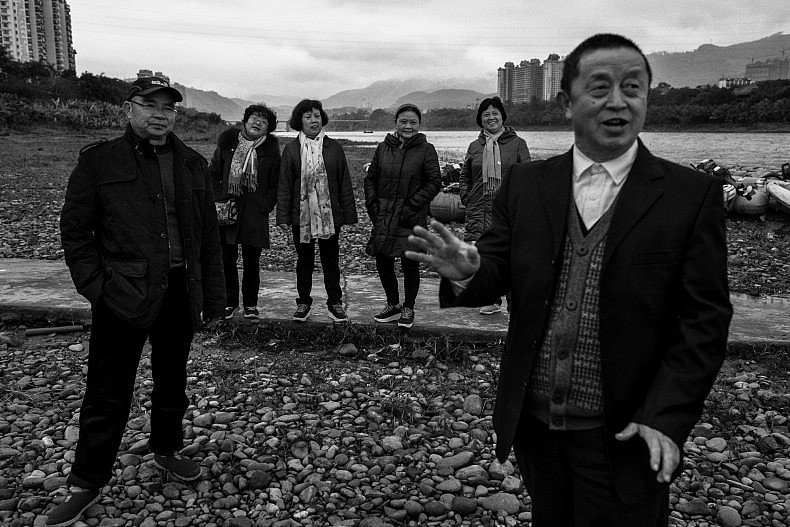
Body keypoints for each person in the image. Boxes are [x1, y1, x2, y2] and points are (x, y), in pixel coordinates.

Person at [406, 34, 732, 526]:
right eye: (600, 87)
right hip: (536, 426)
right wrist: (468, 273)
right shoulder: (529, 184)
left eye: (633, 88)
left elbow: (704, 319)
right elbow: (497, 269)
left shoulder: (689, 195)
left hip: (626, 432)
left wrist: (666, 416)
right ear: (565, 103)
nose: (618, 101)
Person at [52, 76, 225, 527]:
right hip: (121, 296)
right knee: (107, 393)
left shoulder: (191, 164)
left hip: (179, 293)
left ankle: (165, 449)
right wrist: (96, 286)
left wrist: (213, 297)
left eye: (168, 107)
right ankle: (86, 482)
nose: (160, 114)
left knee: (172, 382)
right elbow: (76, 231)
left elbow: (207, 236)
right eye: (149, 105)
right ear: (129, 109)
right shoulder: (99, 162)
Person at [277, 99, 358, 322]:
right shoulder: (291, 149)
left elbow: (344, 183)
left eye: (317, 115)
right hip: (301, 216)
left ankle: (335, 303)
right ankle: (303, 302)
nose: (314, 120)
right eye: (308, 116)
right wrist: (283, 216)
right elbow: (284, 185)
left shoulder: (334, 148)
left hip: (329, 216)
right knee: (304, 260)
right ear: (298, 121)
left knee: (330, 260)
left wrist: (348, 215)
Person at [364, 103, 441, 328]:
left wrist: (412, 206)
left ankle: (408, 307)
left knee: (410, 264)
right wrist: (373, 206)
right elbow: (370, 179)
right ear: (396, 122)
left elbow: (434, 182)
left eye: (413, 122)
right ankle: (393, 305)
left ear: (419, 125)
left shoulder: (427, 149)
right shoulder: (383, 148)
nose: (407, 126)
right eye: (403, 121)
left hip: (410, 216)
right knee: (383, 260)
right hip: (384, 214)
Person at [459, 96, 530, 315]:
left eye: (495, 113)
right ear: (480, 119)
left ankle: (513, 303)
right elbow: (465, 175)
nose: (491, 118)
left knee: (510, 256)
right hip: (479, 208)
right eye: (486, 114)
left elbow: (527, 176)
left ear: (502, 117)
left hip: (507, 209)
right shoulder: (474, 146)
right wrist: (466, 196)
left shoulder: (518, 144)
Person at [209, 104, 280, 320]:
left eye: (264, 121)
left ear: (269, 128)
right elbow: (212, 173)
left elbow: (276, 184)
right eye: (255, 118)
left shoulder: (271, 150)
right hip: (227, 210)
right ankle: (230, 302)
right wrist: (219, 198)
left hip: (254, 214)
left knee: (252, 262)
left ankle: (251, 304)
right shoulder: (227, 144)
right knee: (226, 259)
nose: (258, 122)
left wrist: (265, 206)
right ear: (245, 120)